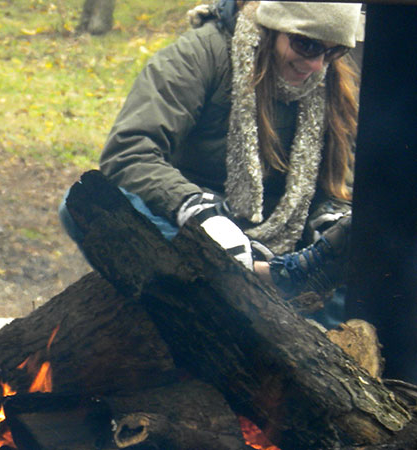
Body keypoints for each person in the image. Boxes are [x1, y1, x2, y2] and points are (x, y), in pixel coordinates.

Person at [60, 0, 362, 323]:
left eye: (332, 52)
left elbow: (335, 188)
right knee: (82, 207)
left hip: (290, 254)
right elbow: (129, 151)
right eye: (306, 44)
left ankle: (279, 292)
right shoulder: (201, 55)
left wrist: (332, 225)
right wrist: (199, 212)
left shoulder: (329, 84)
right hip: (195, 237)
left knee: (369, 258)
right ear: (273, 25)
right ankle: (259, 280)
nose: (316, 65)